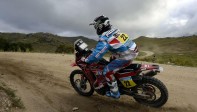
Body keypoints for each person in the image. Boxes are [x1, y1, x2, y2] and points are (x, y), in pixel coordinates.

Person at [82, 15, 138, 99]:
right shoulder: (115, 31)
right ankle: (119, 79)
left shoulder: (105, 38)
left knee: (106, 72)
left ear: (100, 26)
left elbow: (97, 55)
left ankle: (115, 93)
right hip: (133, 49)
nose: (96, 28)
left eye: (96, 26)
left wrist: (87, 60)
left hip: (126, 56)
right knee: (111, 59)